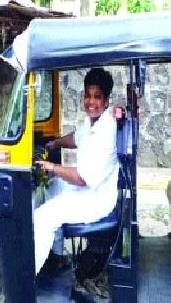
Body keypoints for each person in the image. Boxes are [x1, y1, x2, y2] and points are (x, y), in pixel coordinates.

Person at [35, 67, 119, 275]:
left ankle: (26, 281)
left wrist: (53, 167)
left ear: (106, 101)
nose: (91, 102)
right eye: (88, 96)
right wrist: (55, 143)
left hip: (96, 199)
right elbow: (76, 138)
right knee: (50, 189)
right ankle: (56, 257)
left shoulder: (106, 132)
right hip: (90, 189)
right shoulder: (93, 121)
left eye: (97, 97)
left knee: (42, 216)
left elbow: (82, 178)